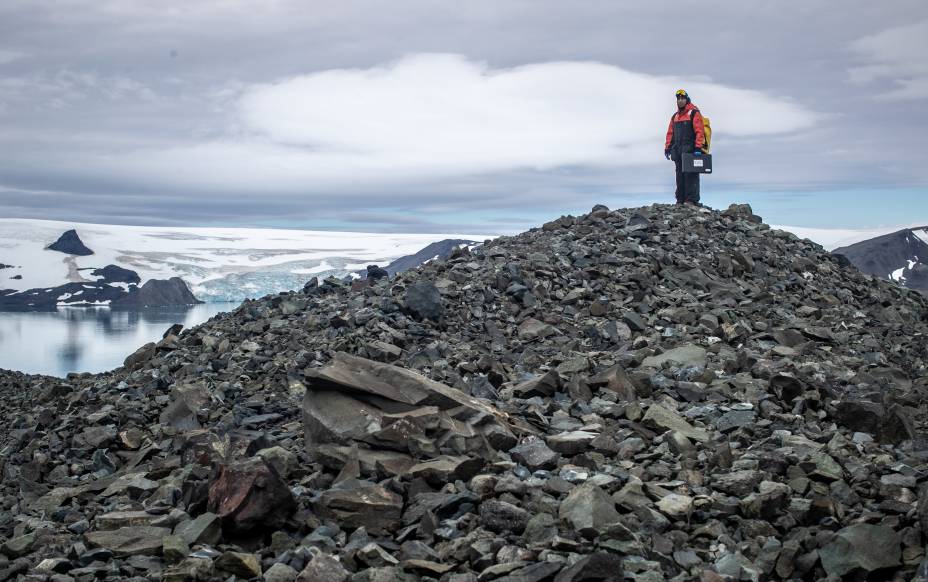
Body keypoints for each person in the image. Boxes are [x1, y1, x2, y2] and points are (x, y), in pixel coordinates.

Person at [664, 89, 706, 205]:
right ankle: (680, 200)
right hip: (678, 151)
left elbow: (699, 132)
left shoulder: (693, 113)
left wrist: (698, 148)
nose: (680, 101)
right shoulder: (675, 117)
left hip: (691, 150)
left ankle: (691, 200)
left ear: (687, 100)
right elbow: (670, 133)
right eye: (678, 99)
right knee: (679, 176)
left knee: (690, 175)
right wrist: (667, 148)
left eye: (682, 98)